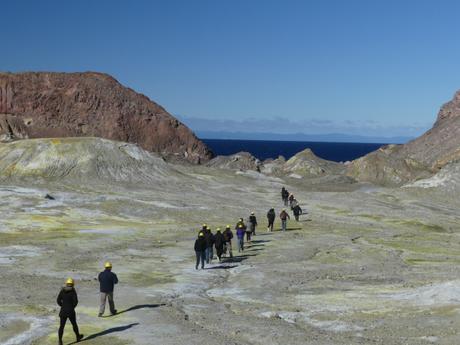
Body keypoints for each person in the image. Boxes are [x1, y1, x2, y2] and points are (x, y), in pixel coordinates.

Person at [57, 278, 84, 345]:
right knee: (74, 324)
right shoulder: (73, 291)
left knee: (61, 326)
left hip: (63, 311)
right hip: (70, 311)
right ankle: (78, 337)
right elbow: (76, 301)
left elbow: (58, 300)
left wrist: (62, 306)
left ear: (66, 284)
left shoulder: (62, 291)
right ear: (72, 284)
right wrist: (72, 307)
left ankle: (60, 341)